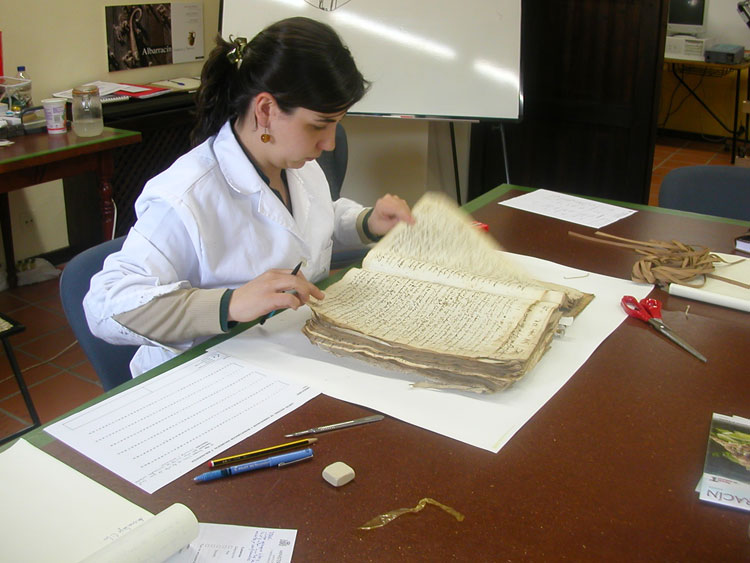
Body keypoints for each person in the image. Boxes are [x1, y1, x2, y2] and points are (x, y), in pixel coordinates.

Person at [83, 17, 414, 377]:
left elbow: (313, 222)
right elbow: (105, 304)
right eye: (319, 125)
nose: (330, 143)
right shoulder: (185, 196)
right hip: (204, 380)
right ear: (266, 110)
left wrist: (366, 222)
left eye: (337, 124)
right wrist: (228, 304)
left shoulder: (297, 166)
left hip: (289, 356)